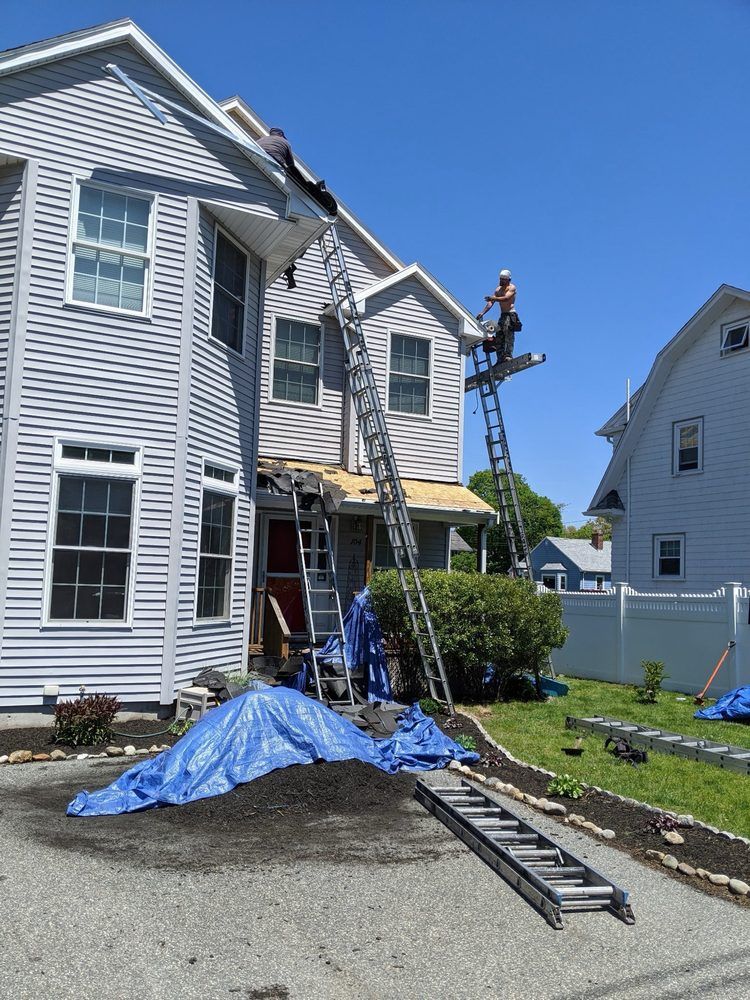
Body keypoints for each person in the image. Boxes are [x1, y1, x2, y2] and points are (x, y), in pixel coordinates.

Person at [476, 269, 522, 362]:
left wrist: (493, 298)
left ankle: (508, 355)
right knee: (499, 335)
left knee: (508, 333)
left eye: (503, 280)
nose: (500, 281)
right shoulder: (498, 289)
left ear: (508, 280)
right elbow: (491, 302)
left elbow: (505, 298)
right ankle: (500, 358)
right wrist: (483, 312)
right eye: (500, 279)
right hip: (503, 315)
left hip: (510, 314)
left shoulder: (512, 288)